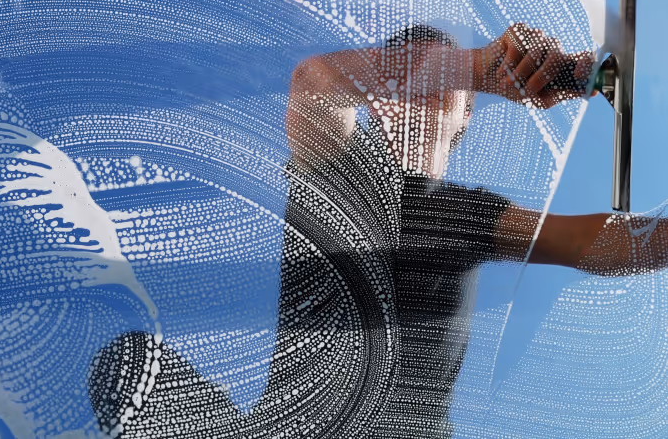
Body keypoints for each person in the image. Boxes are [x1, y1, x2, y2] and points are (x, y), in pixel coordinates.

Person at [88, 23, 667, 438]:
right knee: (133, 367)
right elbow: (317, 80)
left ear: (467, 113)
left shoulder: (469, 214)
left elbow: (603, 244)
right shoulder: (337, 174)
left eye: (440, 74)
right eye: (408, 70)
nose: (422, 80)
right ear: (378, 102)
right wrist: (476, 66)